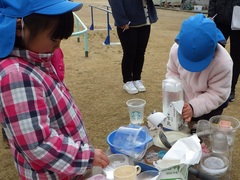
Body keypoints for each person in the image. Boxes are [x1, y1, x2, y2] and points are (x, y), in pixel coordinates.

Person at [0, 0, 109, 179]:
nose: (58, 45)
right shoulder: (17, 76)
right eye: (54, 38)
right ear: (20, 27)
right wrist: (85, 157)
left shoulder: (36, 63)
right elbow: (37, 145)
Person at [165, 14, 233, 123]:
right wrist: (172, 93)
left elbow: (217, 93)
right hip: (183, 101)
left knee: (204, 134)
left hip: (211, 105)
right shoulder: (175, 50)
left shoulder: (223, 62)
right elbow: (173, 74)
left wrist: (194, 107)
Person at [109, 0, 158, 94]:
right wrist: (121, 20)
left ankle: (137, 78)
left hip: (145, 20)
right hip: (128, 23)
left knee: (141, 52)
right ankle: (128, 80)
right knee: (129, 53)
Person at [208, 0, 240, 102]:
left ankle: (231, 88)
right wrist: (211, 15)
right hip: (220, 20)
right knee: (214, 53)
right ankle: (211, 84)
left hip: (238, 21)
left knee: (237, 56)